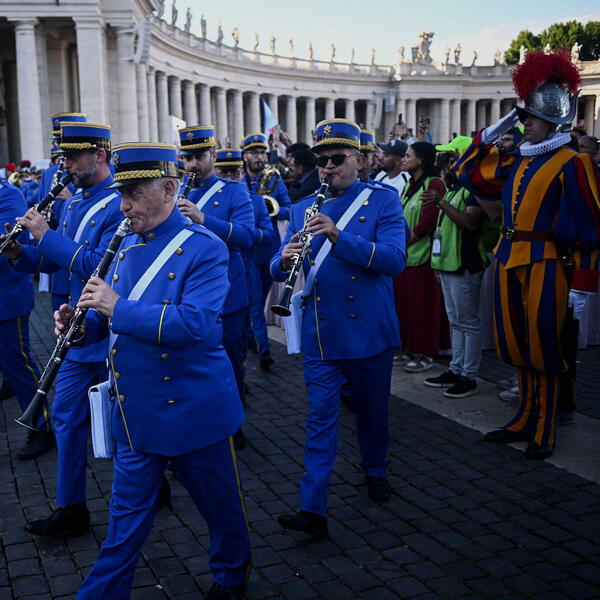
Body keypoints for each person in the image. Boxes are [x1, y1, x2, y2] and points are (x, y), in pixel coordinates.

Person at [54, 142, 251, 600]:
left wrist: (116, 307)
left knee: (220, 510)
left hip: (194, 411)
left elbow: (196, 325)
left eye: (135, 194)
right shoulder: (125, 246)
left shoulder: (206, 248)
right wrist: (80, 328)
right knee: (122, 530)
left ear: (168, 189)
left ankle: (231, 575)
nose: (124, 206)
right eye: (122, 194)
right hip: (137, 412)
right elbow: (108, 324)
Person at [455, 50, 600, 459]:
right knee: (516, 344)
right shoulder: (518, 158)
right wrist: (495, 129)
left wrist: (583, 284)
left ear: (552, 118)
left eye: (531, 117)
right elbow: (465, 171)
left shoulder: (573, 162)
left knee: (543, 346)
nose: (525, 123)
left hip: (548, 264)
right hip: (508, 258)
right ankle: (524, 415)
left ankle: (544, 424)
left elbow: (591, 226)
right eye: (522, 116)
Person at [271, 118, 407, 537]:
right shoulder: (302, 208)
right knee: (320, 419)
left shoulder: (383, 201)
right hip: (322, 332)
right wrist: (283, 260)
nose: (327, 167)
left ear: (359, 161)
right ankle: (312, 507)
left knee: (372, 413)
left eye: (336, 159)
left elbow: (394, 260)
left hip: (369, 331)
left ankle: (376, 468)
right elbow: (278, 264)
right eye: (321, 160)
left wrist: (338, 236)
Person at [2, 122, 124, 535]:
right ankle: (72, 507)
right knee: (67, 417)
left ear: (99, 155)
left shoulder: (118, 204)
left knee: (123, 420)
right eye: (63, 157)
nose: (65, 165)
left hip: (110, 330)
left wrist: (45, 234)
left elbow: (96, 265)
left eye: (72, 157)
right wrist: (19, 252)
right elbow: (55, 261)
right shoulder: (73, 205)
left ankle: (149, 484)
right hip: (74, 331)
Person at [177, 126, 254, 449]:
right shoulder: (175, 192)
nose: (193, 164)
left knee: (230, 364)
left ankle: (234, 424)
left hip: (227, 296)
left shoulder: (234, 191)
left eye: (199, 156)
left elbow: (247, 237)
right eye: (188, 158)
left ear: (213, 155)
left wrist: (203, 218)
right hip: (186, 295)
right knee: (189, 366)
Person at [422, 141, 497, 398]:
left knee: (468, 323)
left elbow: (470, 223)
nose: (447, 166)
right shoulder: (456, 189)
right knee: (456, 322)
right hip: (449, 264)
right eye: (447, 161)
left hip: (466, 263)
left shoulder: (475, 190)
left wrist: (441, 202)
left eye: (453, 159)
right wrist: (438, 263)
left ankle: (469, 376)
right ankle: (456, 369)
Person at [0, 175, 54, 459]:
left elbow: (5, 243)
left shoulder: (7, 194)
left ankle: (40, 426)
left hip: (6, 298)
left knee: (19, 365)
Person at [213, 148, 274, 383]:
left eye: (235, 172)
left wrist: (246, 232)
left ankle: (262, 351)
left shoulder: (256, 201)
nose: (230, 177)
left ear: (242, 172)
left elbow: (268, 235)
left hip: (248, 270)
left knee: (253, 315)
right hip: (223, 276)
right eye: (224, 172)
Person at [394, 142, 450, 372]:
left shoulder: (433, 183)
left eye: (408, 156)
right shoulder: (409, 185)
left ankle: (425, 353)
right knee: (406, 306)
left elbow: (428, 222)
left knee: (423, 308)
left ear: (421, 160)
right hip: (405, 257)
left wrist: (403, 243)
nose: (403, 159)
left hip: (423, 256)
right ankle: (409, 348)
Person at [242, 132, 291, 370]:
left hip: (269, 248)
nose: (260, 157)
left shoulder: (275, 179)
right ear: (245, 156)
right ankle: (264, 349)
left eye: (262, 153)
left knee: (258, 299)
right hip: (248, 250)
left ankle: (252, 335)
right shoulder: (238, 183)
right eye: (254, 153)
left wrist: (273, 209)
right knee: (255, 301)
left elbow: (289, 208)